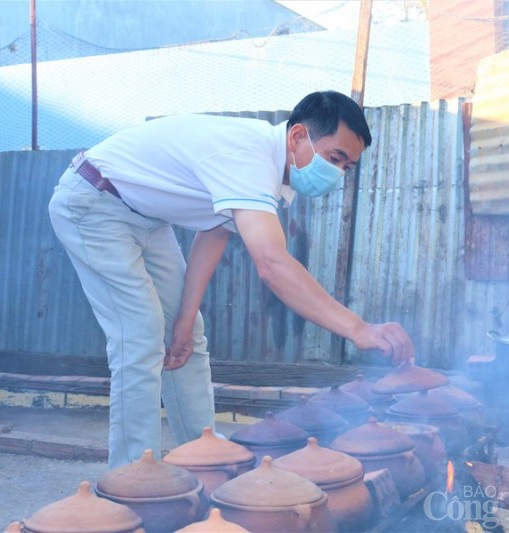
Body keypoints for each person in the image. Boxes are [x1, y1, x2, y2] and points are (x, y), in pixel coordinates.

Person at [48, 90, 415, 469]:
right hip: (92, 202)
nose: (338, 173)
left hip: (145, 218)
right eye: (335, 158)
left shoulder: (273, 173)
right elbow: (272, 264)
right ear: (297, 137)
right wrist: (357, 328)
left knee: (187, 338)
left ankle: (206, 460)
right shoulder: (250, 157)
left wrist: (186, 319)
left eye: (347, 167)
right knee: (140, 335)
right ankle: (134, 479)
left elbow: (215, 231)